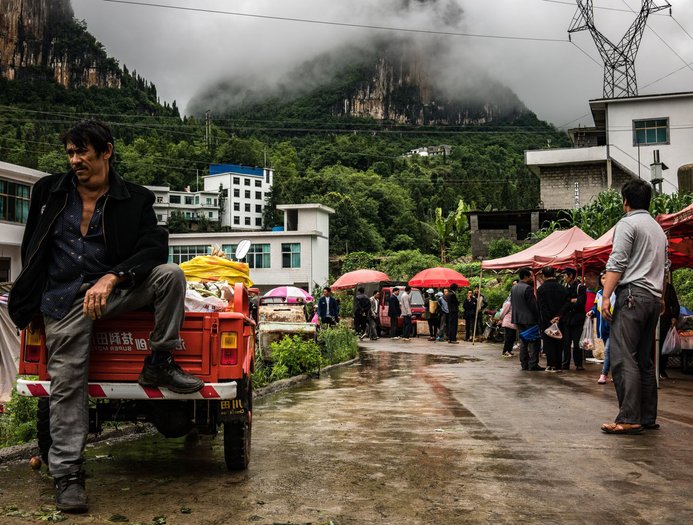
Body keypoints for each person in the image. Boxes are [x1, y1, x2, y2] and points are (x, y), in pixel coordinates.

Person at [7, 120, 204, 513]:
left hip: (112, 291)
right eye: (70, 153)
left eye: (83, 152)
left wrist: (113, 277)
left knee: (171, 275)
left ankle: (159, 361)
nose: (75, 160)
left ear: (106, 152)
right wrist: (30, 305)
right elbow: (32, 249)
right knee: (66, 384)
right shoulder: (49, 191)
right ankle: (68, 476)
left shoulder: (136, 199)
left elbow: (154, 249)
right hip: (64, 300)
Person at [600, 178, 667, 435]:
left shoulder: (627, 223)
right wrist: (660, 298)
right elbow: (664, 267)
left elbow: (617, 262)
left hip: (632, 296)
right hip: (652, 298)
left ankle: (628, 417)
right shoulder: (658, 230)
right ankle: (647, 417)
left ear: (625, 202)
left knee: (623, 356)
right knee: (644, 360)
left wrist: (606, 296)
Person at [536, 266, 569, 372]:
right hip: (560, 320)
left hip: (547, 321)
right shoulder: (563, 288)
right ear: (554, 274)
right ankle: (558, 365)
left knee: (549, 342)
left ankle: (551, 364)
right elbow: (566, 303)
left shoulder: (541, 289)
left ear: (544, 276)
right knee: (559, 341)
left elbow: (542, 307)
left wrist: (550, 319)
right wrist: (558, 316)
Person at [511, 267, 544, 371]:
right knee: (534, 342)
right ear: (525, 276)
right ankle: (533, 364)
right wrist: (539, 318)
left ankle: (524, 363)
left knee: (523, 342)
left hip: (518, 319)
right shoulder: (528, 289)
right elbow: (533, 306)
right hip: (529, 319)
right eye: (530, 275)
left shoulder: (514, 288)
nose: (531, 278)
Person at [590, 271, 615, 384]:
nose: (605, 280)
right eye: (603, 278)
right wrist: (591, 311)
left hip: (614, 327)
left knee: (607, 351)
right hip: (603, 328)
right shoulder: (599, 294)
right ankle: (615, 373)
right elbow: (596, 307)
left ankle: (604, 374)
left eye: (607, 278)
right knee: (611, 352)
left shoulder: (617, 293)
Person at [561, 267, 587, 370]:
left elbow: (581, 303)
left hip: (577, 320)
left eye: (565, 275)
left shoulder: (580, 287)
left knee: (577, 343)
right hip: (567, 320)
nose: (563, 278)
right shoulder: (564, 287)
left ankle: (578, 364)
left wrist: (570, 302)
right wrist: (572, 301)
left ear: (571, 276)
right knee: (566, 343)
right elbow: (564, 303)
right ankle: (565, 363)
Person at [659, 280, 680, 379]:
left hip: (664, 320)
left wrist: (674, 317)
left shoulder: (668, 287)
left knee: (663, 344)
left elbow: (675, 304)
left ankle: (661, 369)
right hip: (649, 318)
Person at [498, 292, 517, 357]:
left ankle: (509, 350)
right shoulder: (508, 303)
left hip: (513, 323)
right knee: (508, 338)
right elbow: (502, 313)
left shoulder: (515, 304)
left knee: (512, 337)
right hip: (508, 322)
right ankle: (505, 351)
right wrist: (500, 319)